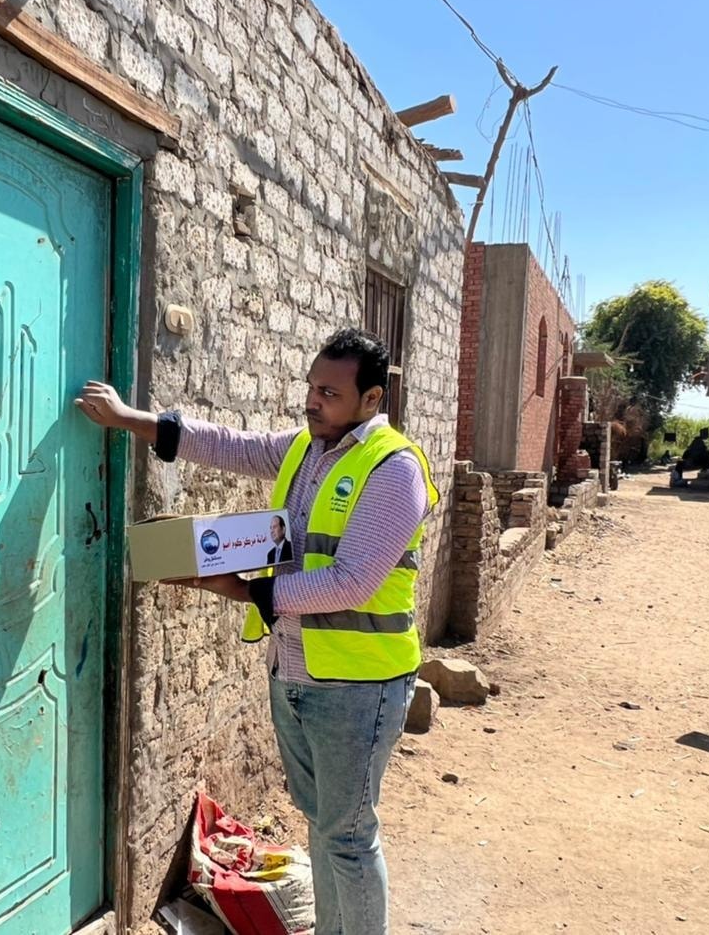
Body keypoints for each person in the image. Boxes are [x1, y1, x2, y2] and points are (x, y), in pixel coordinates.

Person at [75, 328, 438, 935]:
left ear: (372, 399)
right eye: (311, 387)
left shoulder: (393, 469)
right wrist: (128, 419)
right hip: (295, 671)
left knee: (348, 838)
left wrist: (244, 589)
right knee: (324, 827)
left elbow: (353, 582)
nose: (313, 400)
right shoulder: (306, 449)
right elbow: (231, 445)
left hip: (360, 686)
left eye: (330, 393)